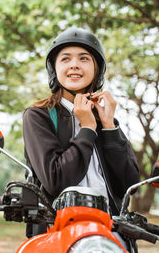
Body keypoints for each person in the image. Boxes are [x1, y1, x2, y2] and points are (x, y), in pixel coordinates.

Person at [22, 27, 140, 242]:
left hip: (110, 231)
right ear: (54, 69)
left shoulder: (105, 118)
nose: (74, 64)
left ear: (96, 69)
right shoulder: (38, 115)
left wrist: (108, 127)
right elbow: (56, 181)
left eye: (84, 59)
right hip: (56, 232)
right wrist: (87, 129)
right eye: (65, 59)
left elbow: (128, 185)